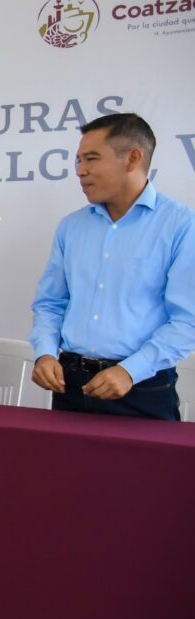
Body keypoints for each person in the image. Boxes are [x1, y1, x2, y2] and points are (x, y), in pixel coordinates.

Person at [30, 113, 195, 420]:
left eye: (91, 159)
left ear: (132, 158)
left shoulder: (182, 226)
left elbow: (188, 321)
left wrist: (130, 371)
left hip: (142, 387)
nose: (80, 170)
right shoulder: (71, 227)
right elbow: (50, 303)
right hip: (70, 383)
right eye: (78, 160)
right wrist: (45, 353)